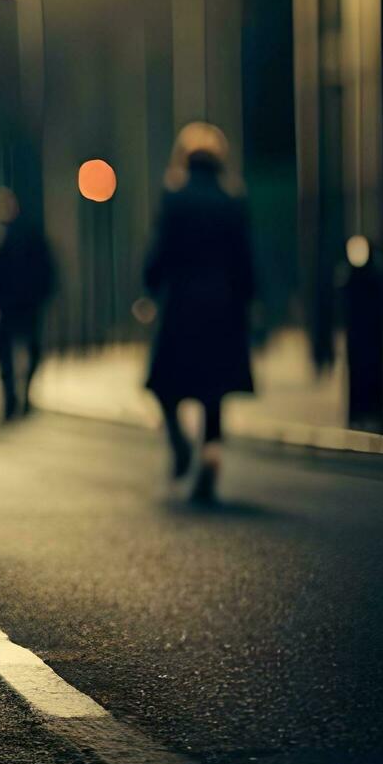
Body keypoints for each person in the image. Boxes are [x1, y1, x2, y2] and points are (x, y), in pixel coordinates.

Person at [143, 122, 255, 503]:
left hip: (183, 303)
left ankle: (178, 438)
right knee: (214, 389)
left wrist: (151, 283)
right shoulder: (232, 199)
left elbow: (160, 252)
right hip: (223, 304)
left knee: (165, 383)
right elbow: (244, 258)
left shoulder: (174, 198)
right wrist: (250, 299)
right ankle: (210, 453)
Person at [0, 187, 55, 421]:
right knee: (4, 359)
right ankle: (10, 401)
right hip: (0, 308)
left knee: (30, 350)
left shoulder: (27, 235)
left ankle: (23, 396)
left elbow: (43, 269)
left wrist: (38, 296)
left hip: (24, 304)